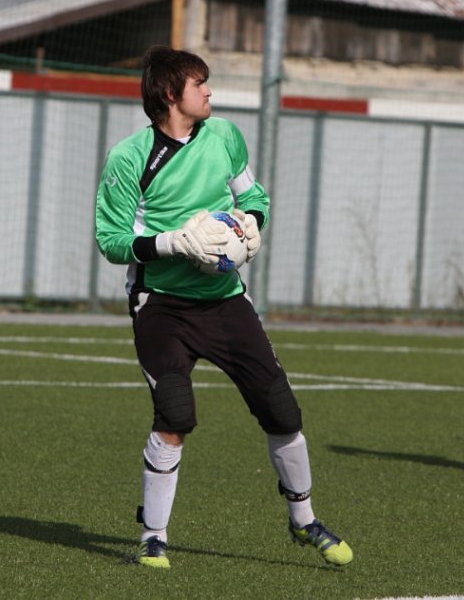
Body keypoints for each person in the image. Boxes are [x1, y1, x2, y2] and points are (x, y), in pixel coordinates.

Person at [94, 45, 352, 569]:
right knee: (175, 417)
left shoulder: (226, 137)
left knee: (282, 411)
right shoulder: (128, 158)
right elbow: (111, 240)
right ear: (171, 94)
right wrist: (174, 243)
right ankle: (153, 536)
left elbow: (254, 196)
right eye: (200, 83)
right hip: (160, 306)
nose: (210, 91)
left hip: (225, 301)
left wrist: (251, 224)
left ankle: (303, 520)